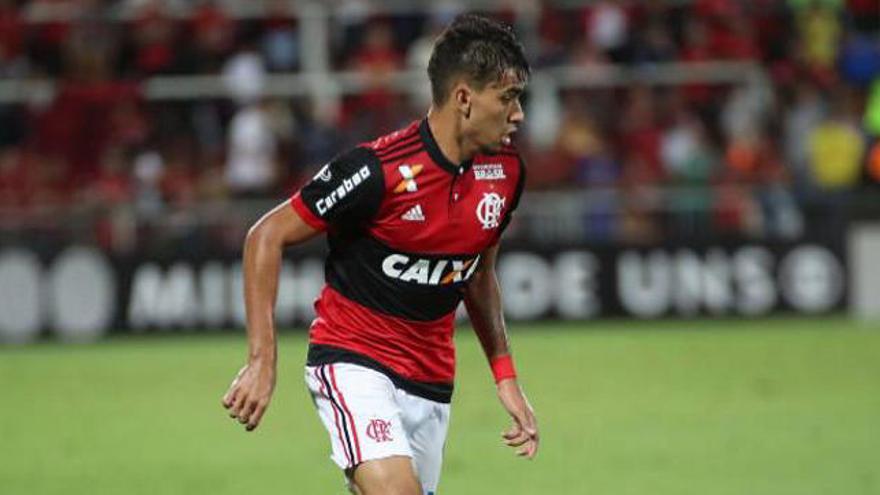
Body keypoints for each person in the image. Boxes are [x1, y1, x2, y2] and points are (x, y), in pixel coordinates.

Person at [222, 14, 539, 495]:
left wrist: (505, 376)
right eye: (508, 97)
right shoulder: (377, 171)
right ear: (463, 99)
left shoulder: (505, 174)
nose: (518, 114)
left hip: (431, 379)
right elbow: (265, 236)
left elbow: (477, 276)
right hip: (353, 360)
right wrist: (262, 359)